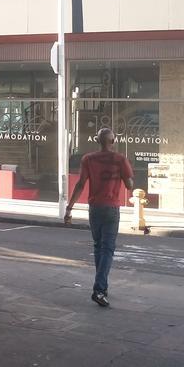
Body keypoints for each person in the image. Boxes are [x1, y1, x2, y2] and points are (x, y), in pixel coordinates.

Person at [64, 127, 134, 307]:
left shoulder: (88, 159)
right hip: (111, 208)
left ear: (97, 141)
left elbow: (80, 184)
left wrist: (69, 208)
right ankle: (99, 290)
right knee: (108, 249)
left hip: (94, 208)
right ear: (113, 141)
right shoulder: (120, 159)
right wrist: (126, 177)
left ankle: (103, 287)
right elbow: (129, 185)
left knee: (98, 247)